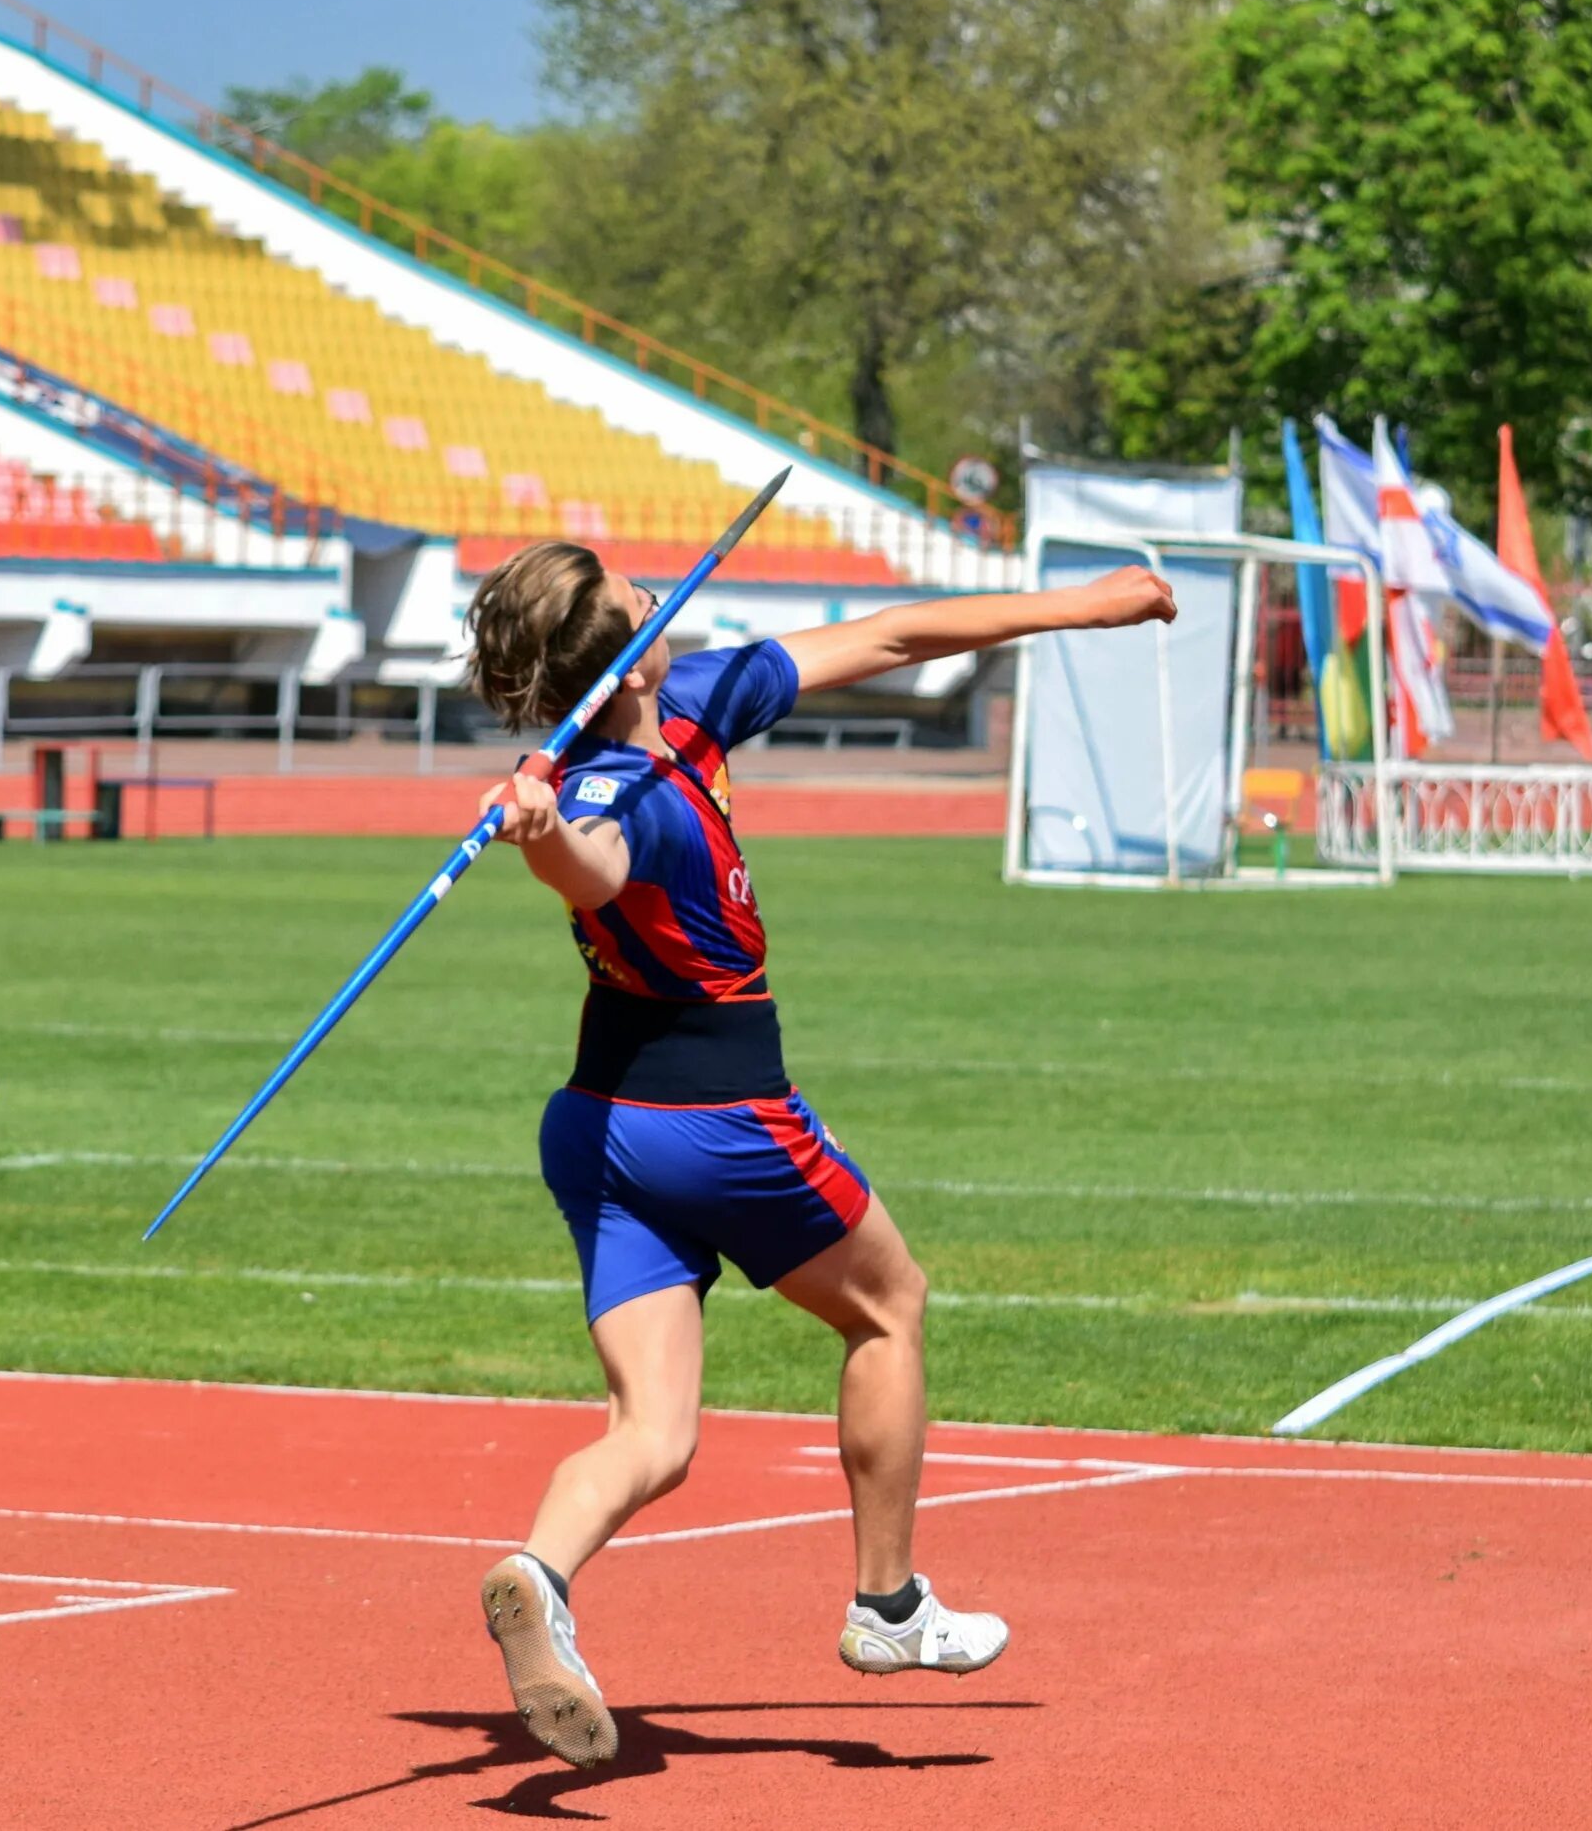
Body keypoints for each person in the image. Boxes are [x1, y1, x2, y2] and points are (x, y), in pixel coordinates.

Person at [460, 541, 1174, 1768]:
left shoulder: (692, 702)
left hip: (599, 1126)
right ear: (626, 652)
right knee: (890, 1305)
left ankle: (538, 1575)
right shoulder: (604, 796)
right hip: (721, 1123)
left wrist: (1083, 608)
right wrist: (534, 836)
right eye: (639, 589)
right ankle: (887, 1607)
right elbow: (591, 869)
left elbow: (892, 636)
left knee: (656, 1432)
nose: (656, 585)